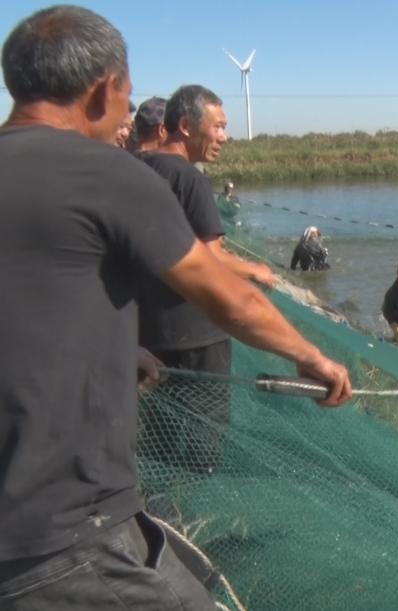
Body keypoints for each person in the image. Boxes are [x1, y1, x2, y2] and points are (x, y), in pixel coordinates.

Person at [0, 6, 351, 610]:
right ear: (104, 89)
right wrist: (311, 357)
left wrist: (118, 347)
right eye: (127, 95)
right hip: (61, 527)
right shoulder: (109, 174)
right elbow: (227, 295)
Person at [138, 84, 276, 473]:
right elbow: (212, 257)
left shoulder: (137, 166)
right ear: (185, 125)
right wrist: (258, 271)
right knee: (205, 425)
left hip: (146, 332)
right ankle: (197, 506)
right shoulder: (192, 180)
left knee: (157, 429)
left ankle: (161, 506)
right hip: (197, 334)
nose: (224, 136)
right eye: (217, 126)